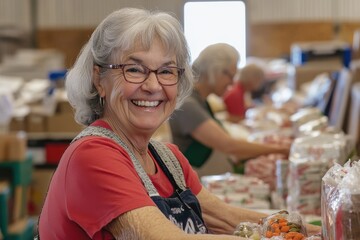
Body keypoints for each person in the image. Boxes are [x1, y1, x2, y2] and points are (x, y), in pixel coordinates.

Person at [37, 8, 320, 240]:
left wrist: (307, 229)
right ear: (99, 79)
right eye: (134, 69)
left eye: (166, 71)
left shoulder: (168, 159)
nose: (153, 85)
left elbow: (225, 217)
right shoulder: (93, 156)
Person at [169, 43, 289, 176]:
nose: (232, 83)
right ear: (216, 70)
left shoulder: (200, 100)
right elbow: (229, 146)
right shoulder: (188, 104)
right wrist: (282, 150)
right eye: (231, 76)